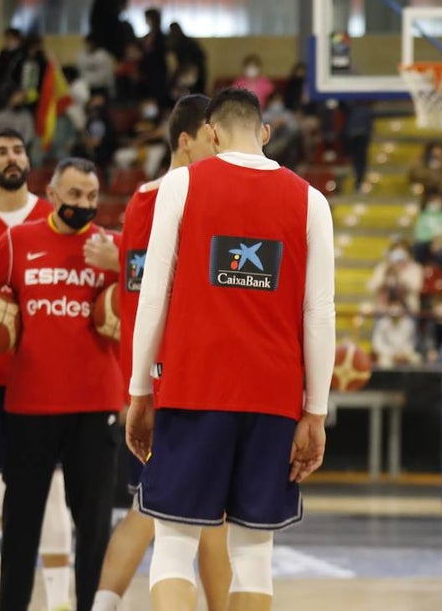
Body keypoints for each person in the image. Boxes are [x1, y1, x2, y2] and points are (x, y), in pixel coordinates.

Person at [125, 88, 335, 610]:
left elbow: (153, 295)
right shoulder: (311, 200)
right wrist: (315, 411)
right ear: (265, 133)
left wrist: (139, 390)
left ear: (211, 134)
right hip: (273, 396)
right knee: (254, 555)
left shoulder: (181, 184)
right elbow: (319, 313)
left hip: (192, 387)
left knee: (173, 546)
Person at [90, 95, 231, 611]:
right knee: (170, 517)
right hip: (182, 381)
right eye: (213, 140)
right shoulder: (187, 198)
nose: (220, 150)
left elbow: (140, 284)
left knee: (177, 514)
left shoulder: (140, 200)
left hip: (151, 379)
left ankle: (103, 604)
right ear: (187, 141)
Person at [0, 156, 124, 611]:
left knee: (93, 529)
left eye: (92, 196)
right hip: (30, 406)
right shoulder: (18, 241)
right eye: (74, 194)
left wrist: (121, 264)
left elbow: (161, 301)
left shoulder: (113, 247)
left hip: (96, 406)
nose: (84, 203)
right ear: (52, 194)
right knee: (20, 528)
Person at [0, 130, 73, 611]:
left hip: (41, 384)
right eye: (1, 152)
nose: (11, 158)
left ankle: (59, 603)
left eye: (18, 150)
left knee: (52, 494)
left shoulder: (54, 219)